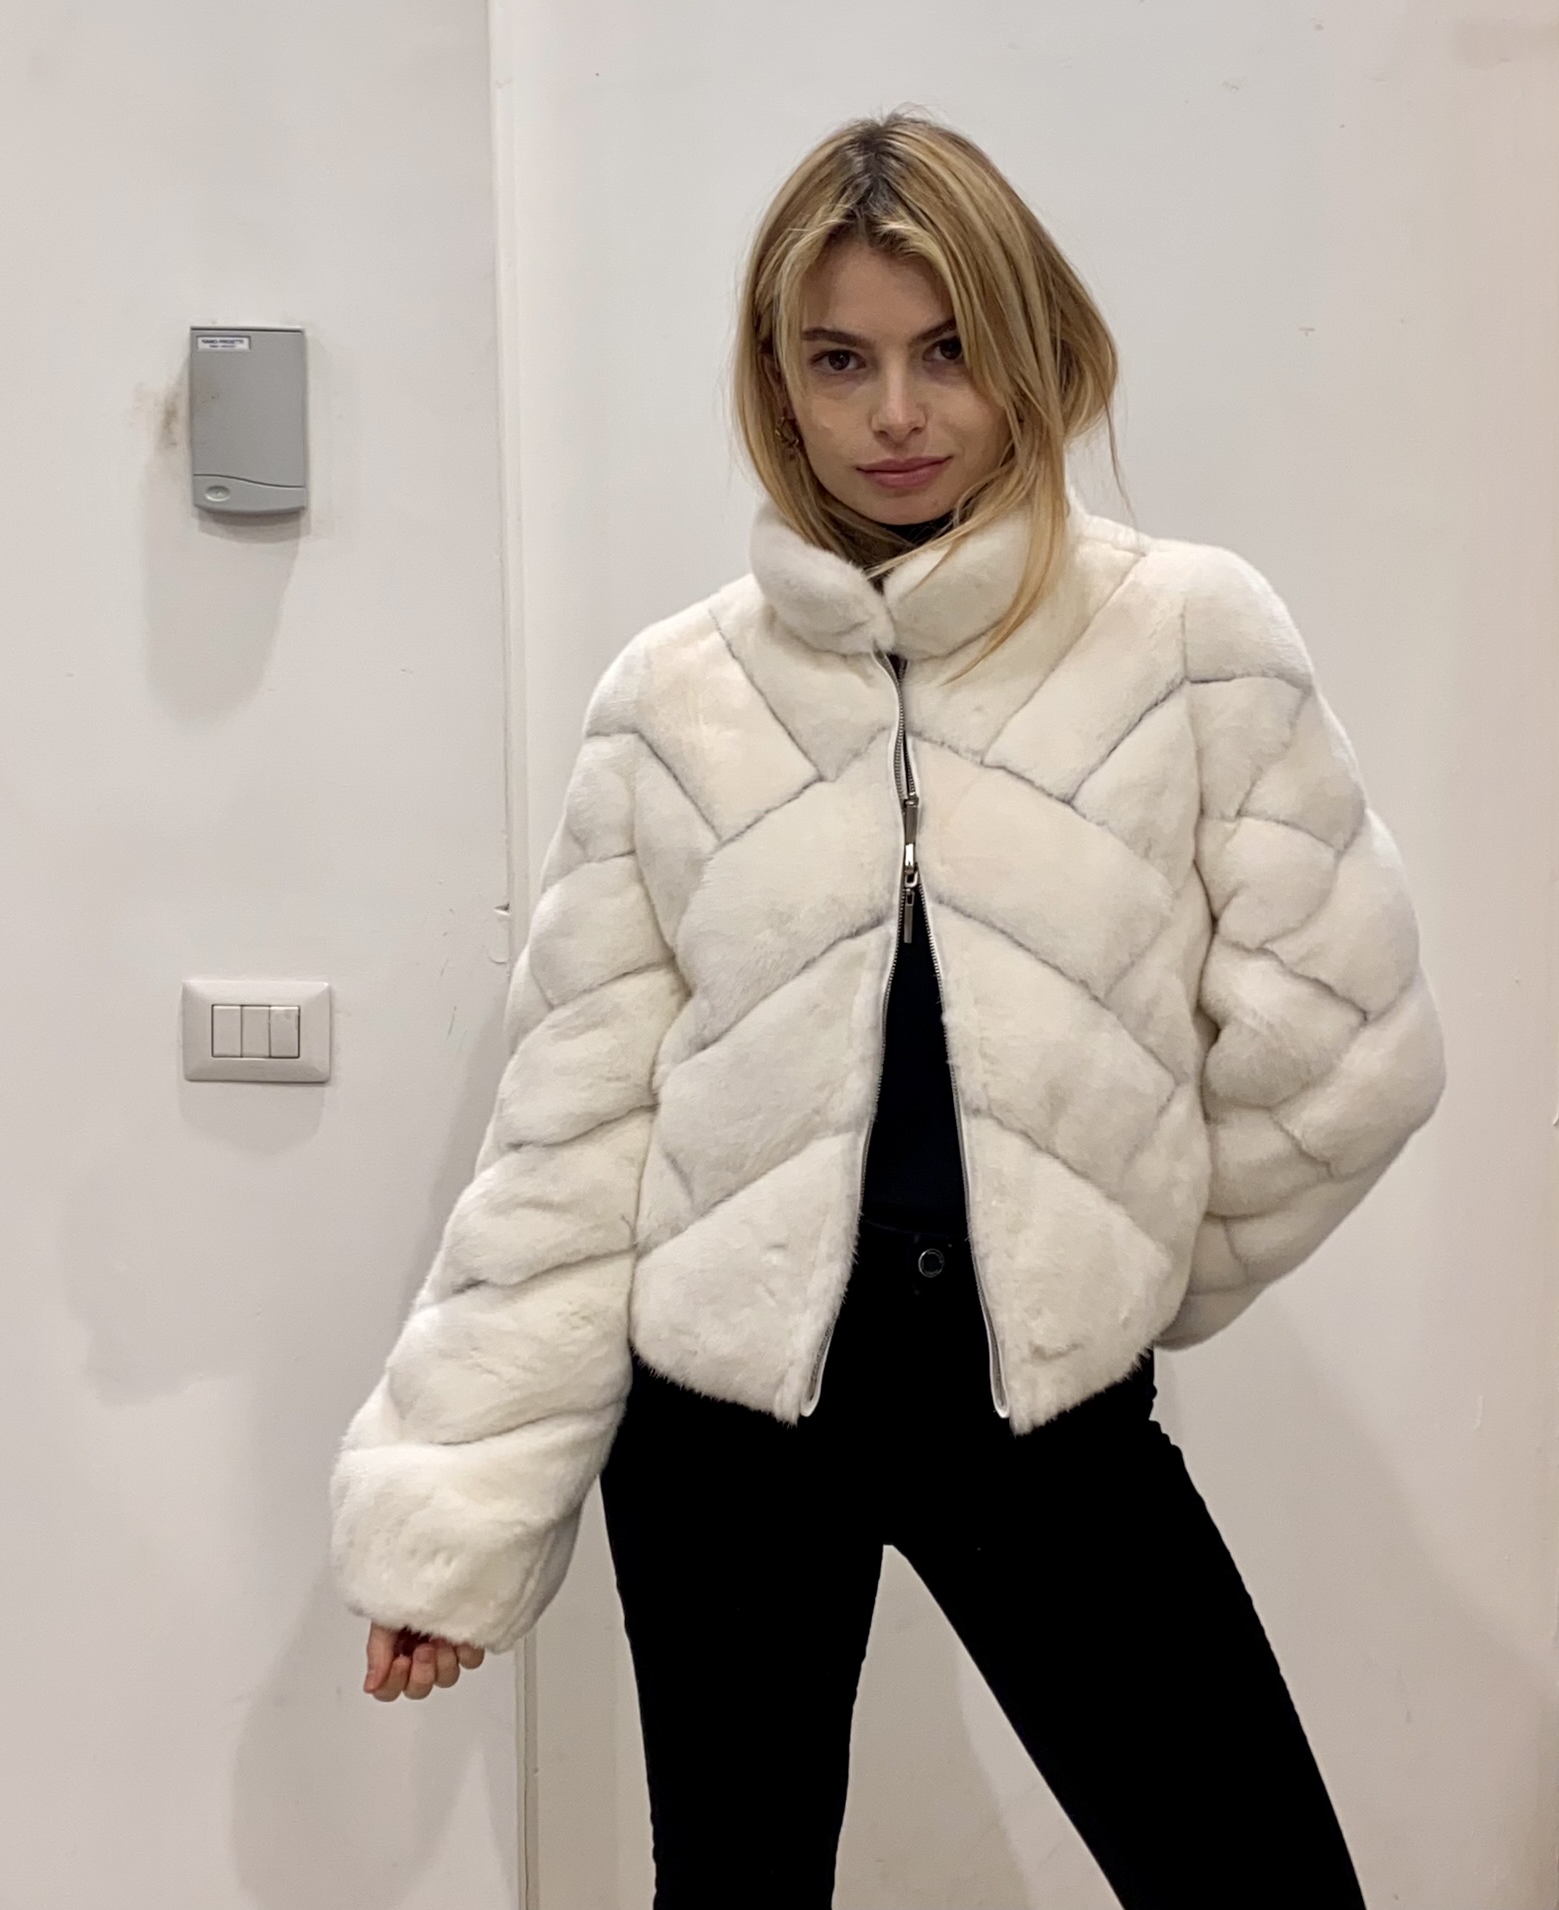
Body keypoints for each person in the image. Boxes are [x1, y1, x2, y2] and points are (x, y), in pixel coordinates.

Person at [329, 111, 1446, 1908]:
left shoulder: (1183, 638)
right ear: (777, 379)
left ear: (1031, 349)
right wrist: (452, 1518)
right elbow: (571, 1132)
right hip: (721, 1435)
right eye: (838, 359)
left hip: (1035, 1410)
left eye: (947, 351)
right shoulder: (677, 697)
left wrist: (1113, 1264)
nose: (897, 414)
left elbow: (1347, 1043)